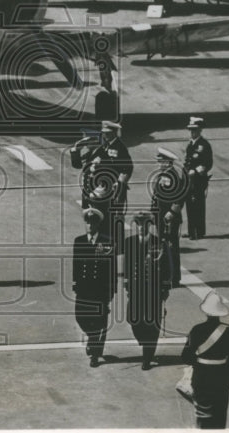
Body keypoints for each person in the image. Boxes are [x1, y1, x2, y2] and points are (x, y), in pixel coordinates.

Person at [180, 291, 229, 429]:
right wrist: (228, 375)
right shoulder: (228, 330)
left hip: (201, 377)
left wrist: (198, 363)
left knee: (203, 415)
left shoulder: (196, 330)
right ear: (220, 313)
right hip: (221, 378)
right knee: (219, 415)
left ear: (206, 312)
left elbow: (185, 356)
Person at [71, 120, 133, 249]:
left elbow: (126, 169)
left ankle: (112, 249)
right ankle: (97, 247)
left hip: (107, 194)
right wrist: (75, 150)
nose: (106, 136)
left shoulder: (118, 148)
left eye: (108, 133)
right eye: (104, 133)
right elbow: (78, 165)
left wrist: (118, 193)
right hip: (92, 194)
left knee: (108, 225)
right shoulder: (101, 148)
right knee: (93, 223)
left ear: (114, 133)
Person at [123, 213, 171, 370]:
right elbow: (127, 265)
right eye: (139, 224)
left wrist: (165, 288)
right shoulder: (129, 242)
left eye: (145, 224)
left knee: (153, 323)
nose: (142, 227)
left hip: (154, 290)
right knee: (133, 319)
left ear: (149, 225)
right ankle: (144, 341)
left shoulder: (158, 243)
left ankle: (147, 358)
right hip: (136, 289)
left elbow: (166, 267)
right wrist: (127, 282)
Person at [72, 208, 116, 368]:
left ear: (98, 223)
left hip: (100, 289)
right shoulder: (79, 241)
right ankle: (92, 338)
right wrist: (75, 283)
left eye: (93, 222)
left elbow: (111, 268)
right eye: (87, 222)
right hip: (84, 287)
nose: (90, 225)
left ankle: (95, 356)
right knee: (80, 316)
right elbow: (76, 265)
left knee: (99, 320)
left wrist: (112, 289)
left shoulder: (107, 242)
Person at [150, 147, 184, 287]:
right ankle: (166, 275)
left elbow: (179, 197)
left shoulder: (173, 176)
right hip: (161, 216)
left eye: (161, 161)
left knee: (171, 247)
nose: (159, 164)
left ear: (168, 163)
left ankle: (174, 278)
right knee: (163, 246)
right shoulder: (163, 175)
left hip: (169, 218)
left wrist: (172, 212)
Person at [182, 117, 213, 240]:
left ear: (200, 130)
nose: (192, 132)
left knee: (198, 204)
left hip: (198, 180)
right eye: (191, 130)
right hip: (189, 179)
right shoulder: (191, 144)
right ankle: (191, 230)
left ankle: (198, 231)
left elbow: (208, 163)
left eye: (195, 130)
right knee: (190, 204)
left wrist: (195, 171)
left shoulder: (204, 145)